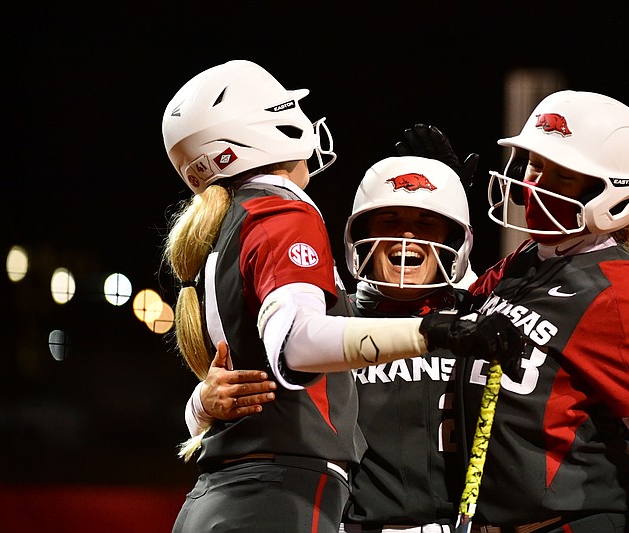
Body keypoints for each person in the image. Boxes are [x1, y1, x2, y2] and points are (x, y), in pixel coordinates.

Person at [161, 60, 503, 533]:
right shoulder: (284, 221)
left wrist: (443, 195)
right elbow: (300, 342)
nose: (407, 239)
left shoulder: (230, 226)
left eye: (426, 222)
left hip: (242, 494)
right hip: (284, 496)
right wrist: (202, 403)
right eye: (390, 221)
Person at [437, 90, 629, 532]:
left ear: (609, 192)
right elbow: (464, 311)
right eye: (534, 166)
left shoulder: (618, 297)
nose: (531, 184)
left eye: (560, 177)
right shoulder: (527, 259)